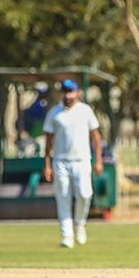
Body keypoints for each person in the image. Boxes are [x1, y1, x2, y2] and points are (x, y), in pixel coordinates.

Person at [43, 79, 103, 248]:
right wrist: (47, 164)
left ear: (77, 93)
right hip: (61, 161)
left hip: (82, 161)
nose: (68, 95)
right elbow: (48, 140)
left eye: (71, 92)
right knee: (63, 197)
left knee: (85, 194)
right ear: (61, 93)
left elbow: (96, 137)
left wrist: (98, 160)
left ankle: (79, 223)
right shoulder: (54, 113)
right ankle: (66, 235)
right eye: (65, 92)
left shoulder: (85, 111)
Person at [17, 82, 49, 157]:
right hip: (31, 133)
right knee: (28, 153)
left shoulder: (44, 103)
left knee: (42, 152)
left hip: (41, 134)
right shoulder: (36, 104)